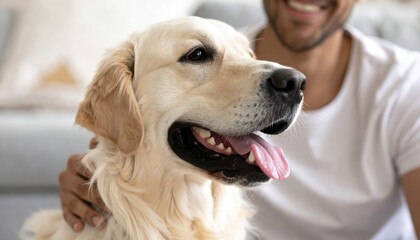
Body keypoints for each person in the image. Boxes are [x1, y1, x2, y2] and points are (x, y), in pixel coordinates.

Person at [58, 0, 420, 239]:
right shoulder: (225, 39)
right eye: (198, 55)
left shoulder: (407, 86)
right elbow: (122, 153)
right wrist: (90, 183)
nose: (282, 78)